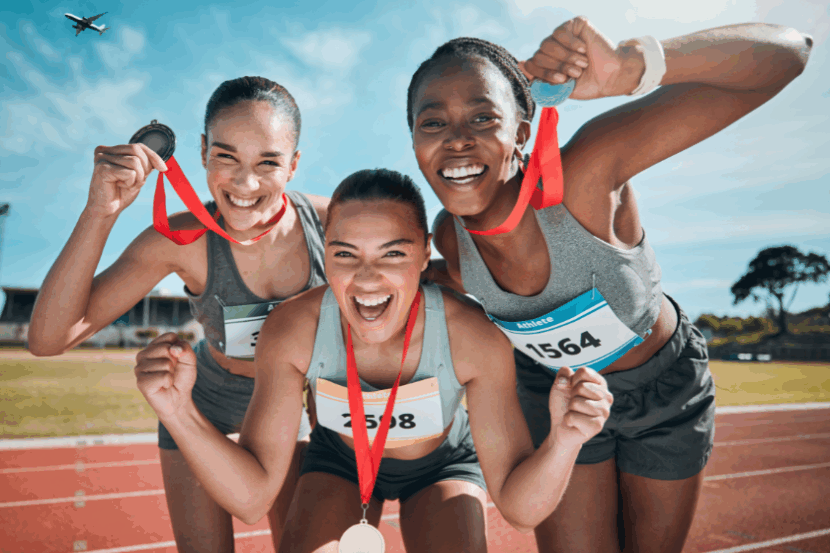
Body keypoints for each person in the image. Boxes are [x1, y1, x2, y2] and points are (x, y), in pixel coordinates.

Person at [407, 19, 812, 553]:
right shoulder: (449, 239)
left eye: (483, 117)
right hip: (558, 397)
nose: (457, 139)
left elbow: (790, 54)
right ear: (414, 140)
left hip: (662, 391)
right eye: (432, 123)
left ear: (522, 132)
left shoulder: (586, 175)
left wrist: (634, 65)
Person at [132, 168, 614, 553]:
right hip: (339, 460)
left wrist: (565, 442)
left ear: (425, 253)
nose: (367, 279)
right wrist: (178, 412)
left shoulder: (472, 336)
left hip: (441, 465)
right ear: (326, 254)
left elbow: (520, 509)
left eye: (392, 254)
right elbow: (252, 498)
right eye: (346, 254)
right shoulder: (293, 329)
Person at [27, 76, 329, 553]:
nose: (245, 183)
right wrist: (100, 211)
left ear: (292, 165)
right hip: (202, 399)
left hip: (289, 404)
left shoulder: (335, 225)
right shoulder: (182, 239)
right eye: (226, 156)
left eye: (267, 162)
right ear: (203, 151)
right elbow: (48, 339)